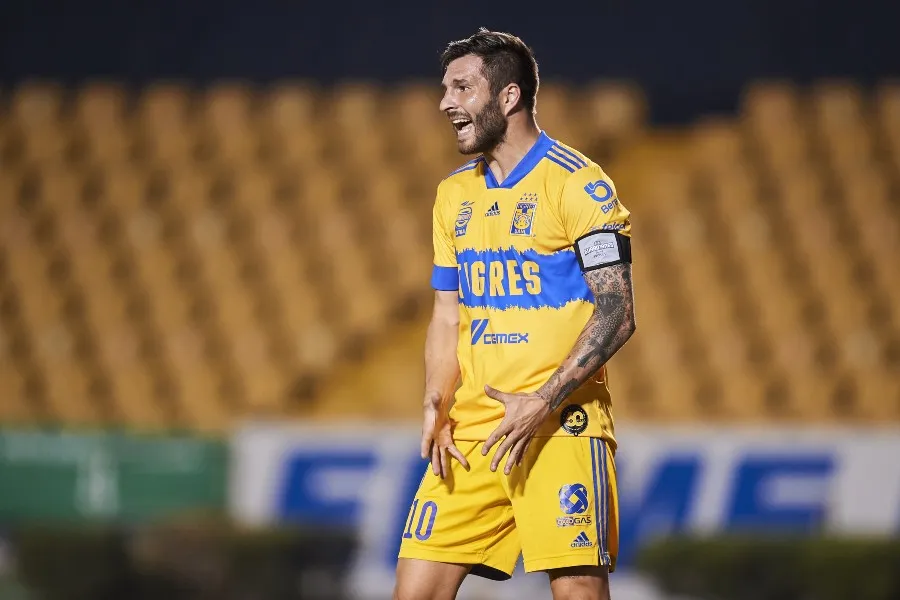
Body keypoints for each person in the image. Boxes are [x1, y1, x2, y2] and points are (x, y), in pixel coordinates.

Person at [394, 28, 636, 600]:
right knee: (413, 591)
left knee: (577, 590)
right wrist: (435, 402)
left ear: (508, 97)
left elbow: (618, 312)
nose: (444, 103)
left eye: (461, 87)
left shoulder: (579, 185)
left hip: (560, 427)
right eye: (444, 88)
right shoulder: (452, 196)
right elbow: (447, 315)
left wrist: (542, 401)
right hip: (473, 434)